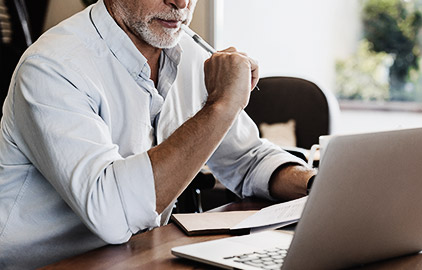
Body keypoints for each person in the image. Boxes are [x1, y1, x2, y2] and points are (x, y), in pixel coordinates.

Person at [0, 0, 316, 268]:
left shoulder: (189, 54)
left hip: (141, 256)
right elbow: (111, 214)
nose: (181, 2)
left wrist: (318, 186)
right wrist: (220, 106)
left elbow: (248, 159)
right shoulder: (52, 66)